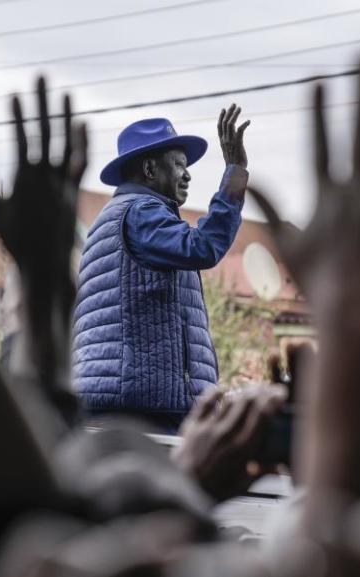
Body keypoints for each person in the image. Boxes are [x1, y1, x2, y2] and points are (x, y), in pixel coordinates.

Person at [72, 109, 249, 431]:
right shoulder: (142, 213)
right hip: (147, 409)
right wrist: (235, 176)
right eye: (179, 164)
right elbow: (204, 247)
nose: (188, 174)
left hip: (122, 400)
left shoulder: (113, 217)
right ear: (150, 168)